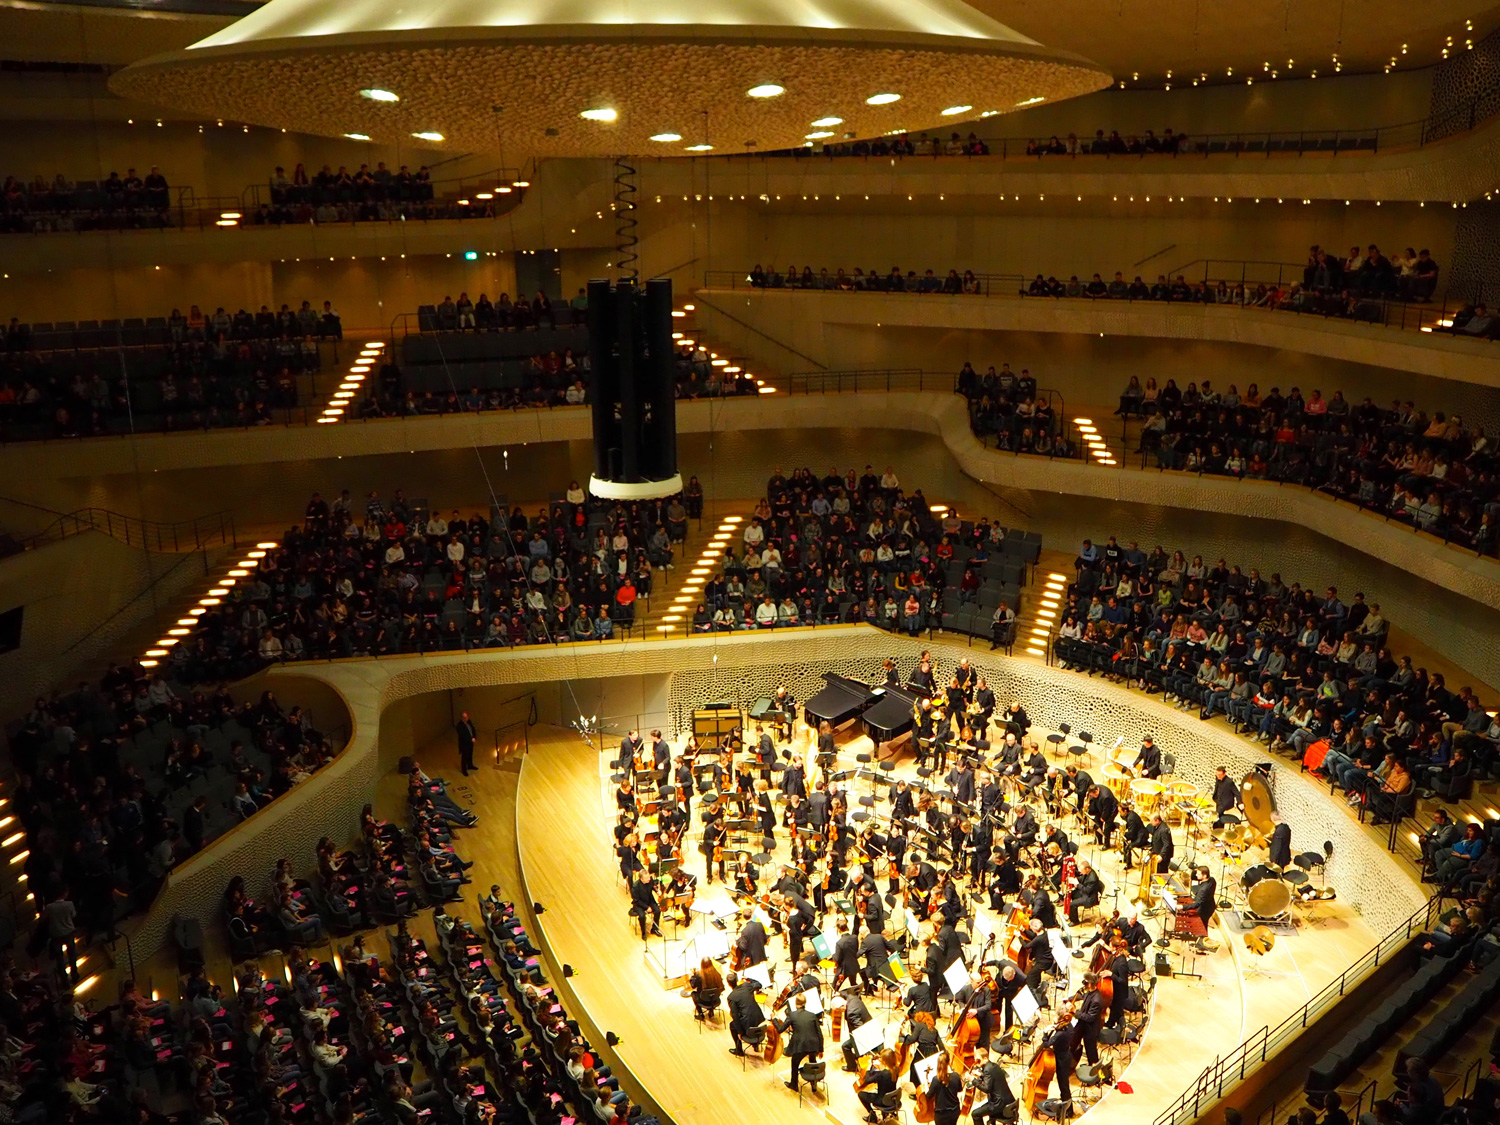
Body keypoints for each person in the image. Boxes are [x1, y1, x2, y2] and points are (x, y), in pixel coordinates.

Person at [775, 992, 823, 1092]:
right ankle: (813, 1083)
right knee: (813, 1061)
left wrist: (774, 1019)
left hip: (800, 1045)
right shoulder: (812, 1015)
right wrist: (821, 1049)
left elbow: (780, 1029)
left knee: (795, 1062)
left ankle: (794, 1085)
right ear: (805, 1003)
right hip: (813, 1044)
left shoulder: (792, 1015)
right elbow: (819, 1033)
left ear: (795, 1003)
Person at [967, 1044, 1015, 1125]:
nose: (976, 1062)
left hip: (999, 1104)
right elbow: (991, 1077)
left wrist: (973, 1080)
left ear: (985, 1058)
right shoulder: (994, 1065)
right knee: (982, 1109)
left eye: (978, 1060)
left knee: (975, 1114)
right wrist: (980, 1075)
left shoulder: (987, 1070)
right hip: (1009, 1101)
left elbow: (986, 1089)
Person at [726, 971, 763, 1057]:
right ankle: (755, 1044)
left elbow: (735, 1016)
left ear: (728, 984)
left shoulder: (731, 997)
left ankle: (739, 1050)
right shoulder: (747, 986)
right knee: (752, 1023)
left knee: (732, 1025)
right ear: (737, 980)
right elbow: (759, 984)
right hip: (758, 1017)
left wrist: (739, 1032)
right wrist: (748, 979)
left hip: (747, 1021)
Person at [924, 1049, 963, 1125]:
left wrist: (925, 1083)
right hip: (954, 1112)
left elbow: (928, 1095)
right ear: (949, 1062)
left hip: (941, 1115)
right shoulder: (956, 1076)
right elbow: (959, 1090)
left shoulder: (936, 1079)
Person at [630, 868, 661, 939]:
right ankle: (643, 933)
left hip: (649, 900)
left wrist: (657, 891)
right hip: (639, 904)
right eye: (646, 878)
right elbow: (637, 900)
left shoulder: (650, 880)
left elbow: (653, 886)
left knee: (658, 910)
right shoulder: (635, 886)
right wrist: (646, 907)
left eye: (649, 877)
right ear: (641, 879)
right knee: (642, 916)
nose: (649, 879)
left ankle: (654, 929)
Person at [455, 710, 478, 775]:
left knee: (470, 754)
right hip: (464, 744)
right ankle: (464, 770)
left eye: (466, 717)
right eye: (464, 717)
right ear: (461, 718)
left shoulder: (469, 722)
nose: (465, 718)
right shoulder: (459, 726)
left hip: (470, 742)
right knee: (464, 757)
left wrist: (474, 737)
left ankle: (470, 765)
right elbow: (463, 736)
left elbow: (473, 729)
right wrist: (471, 739)